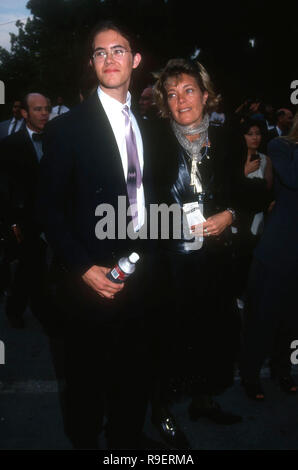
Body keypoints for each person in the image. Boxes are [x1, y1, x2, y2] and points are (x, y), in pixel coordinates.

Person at [37, 20, 157, 450]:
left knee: (134, 371)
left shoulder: (150, 127)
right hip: (88, 278)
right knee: (86, 380)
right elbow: (47, 209)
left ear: (135, 60)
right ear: (92, 63)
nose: (110, 58)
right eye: (100, 52)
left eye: (119, 50)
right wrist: (83, 268)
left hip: (141, 275)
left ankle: (126, 441)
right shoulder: (66, 128)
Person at [150, 58, 244, 446]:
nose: (180, 100)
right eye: (171, 94)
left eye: (188, 90)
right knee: (169, 336)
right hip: (169, 259)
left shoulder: (228, 139)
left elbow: (245, 190)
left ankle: (203, 400)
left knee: (213, 331)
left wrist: (231, 214)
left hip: (215, 256)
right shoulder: (151, 139)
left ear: (206, 96)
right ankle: (162, 409)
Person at [240, 111, 298, 400]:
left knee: (291, 320)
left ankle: (282, 370)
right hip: (277, 250)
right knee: (262, 319)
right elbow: (294, 178)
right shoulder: (281, 147)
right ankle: (250, 375)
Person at [0, 93, 50, 330]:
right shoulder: (10, 145)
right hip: (25, 218)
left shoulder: (55, 139)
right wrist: (11, 223)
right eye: (38, 109)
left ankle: (42, 309)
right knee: (29, 266)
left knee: (40, 266)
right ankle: (17, 308)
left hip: (52, 215)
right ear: (24, 113)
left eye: (46, 109)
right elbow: (5, 188)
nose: (44, 114)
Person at [233, 119, 273, 302]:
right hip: (236, 217)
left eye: (258, 133)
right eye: (250, 133)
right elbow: (230, 189)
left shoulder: (266, 160)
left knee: (251, 257)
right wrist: (244, 172)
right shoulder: (234, 157)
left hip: (257, 217)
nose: (255, 137)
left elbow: (268, 189)